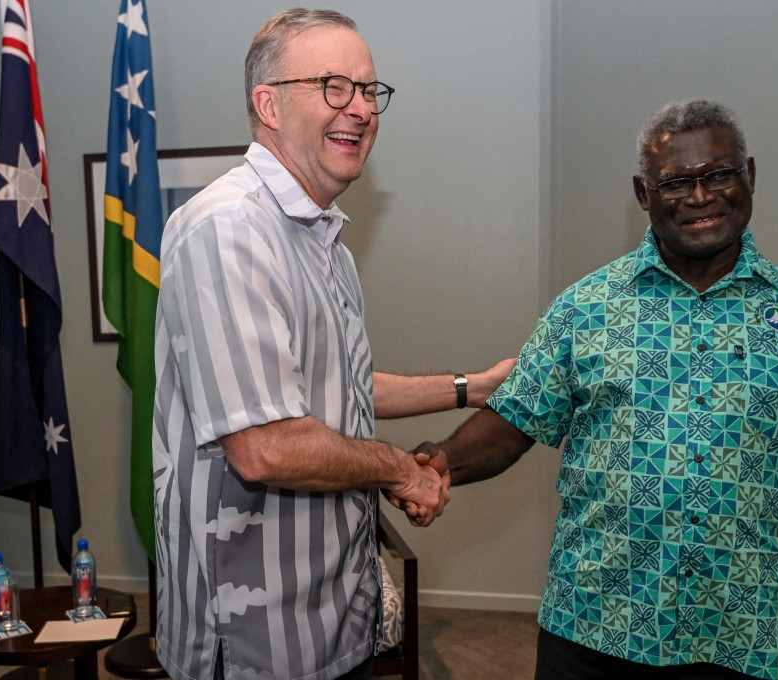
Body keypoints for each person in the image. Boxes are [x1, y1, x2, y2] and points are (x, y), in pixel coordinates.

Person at [409, 100, 778, 679]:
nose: (700, 197)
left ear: (748, 176)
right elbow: (515, 420)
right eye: (675, 182)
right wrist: (437, 463)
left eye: (718, 175)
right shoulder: (586, 308)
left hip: (748, 640)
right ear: (643, 194)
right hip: (595, 631)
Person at [151, 9, 512, 680]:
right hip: (257, 646)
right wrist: (402, 471)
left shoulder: (325, 243)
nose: (360, 109)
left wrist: (473, 386)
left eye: (369, 90)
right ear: (269, 103)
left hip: (333, 621)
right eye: (333, 86)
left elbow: (340, 386)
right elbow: (266, 445)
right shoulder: (230, 230)